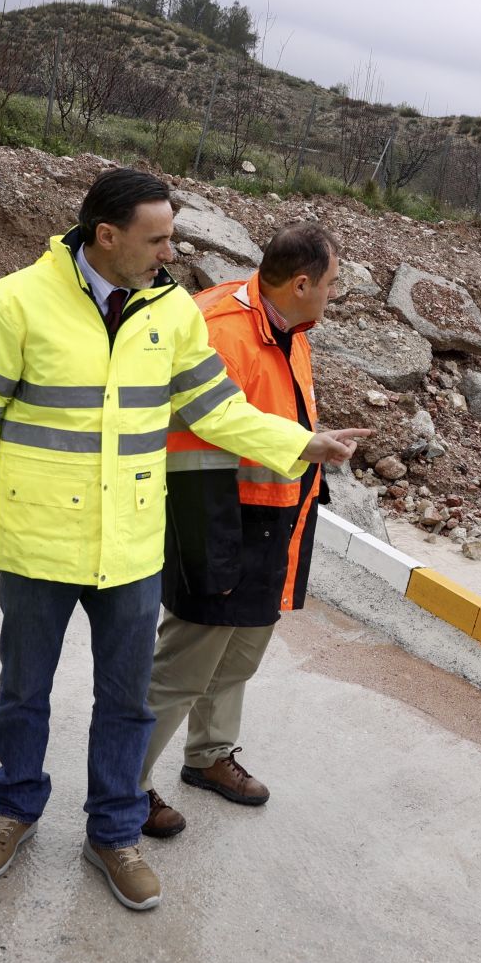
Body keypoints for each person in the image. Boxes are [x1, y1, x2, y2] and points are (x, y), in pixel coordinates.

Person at [0, 168, 366, 912]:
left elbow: (216, 410)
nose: (170, 251)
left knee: (126, 701)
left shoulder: (171, 313)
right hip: (41, 542)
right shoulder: (20, 300)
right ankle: (15, 810)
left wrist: (302, 444)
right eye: (156, 237)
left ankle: (114, 832)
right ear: (107, 234)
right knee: (23, 694)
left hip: (131, 546)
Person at [140, 224, 342, 840]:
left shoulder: (290, 326)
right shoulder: (221, 326)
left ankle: (208, 757)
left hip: (275, 514)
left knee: (239, 654)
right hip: (216, 516)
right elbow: (217, 425)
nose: (334, 296)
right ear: (302, 283)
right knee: (185, 664)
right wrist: (305, 446)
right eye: (331, 284)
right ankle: (126, 784)